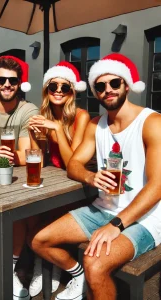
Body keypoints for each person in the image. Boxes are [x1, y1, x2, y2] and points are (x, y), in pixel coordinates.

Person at [29, 53, 161, 300]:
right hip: (103, 208)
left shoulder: (152, 122)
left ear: (127, 84)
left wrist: (117, 225)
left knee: (95, 262)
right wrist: (90, 177)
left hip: (146, 217)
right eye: (100, 86)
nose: (107, 90)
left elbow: (157, 186)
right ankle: (77, 277)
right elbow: (74, 165)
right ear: (94, 91)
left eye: (114, 83)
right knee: (38, 240)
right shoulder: (96, 125)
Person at [28, 61, 90, 297]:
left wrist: (55, 129)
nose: (59, 90)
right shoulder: (42, 115)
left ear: (72, 92)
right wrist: (34, 135)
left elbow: (72, 162)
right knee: (30, 217)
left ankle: (56, 266)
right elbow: (39, 160)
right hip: (54, 182)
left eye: (65, 87)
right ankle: (45, 265)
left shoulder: (81, 116)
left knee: (46, 220)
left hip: (76, 186)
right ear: (46, 89)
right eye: (54, 85)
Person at [0, 56, 38, 300]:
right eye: (2, 79)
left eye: (12, 81)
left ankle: (10, 270)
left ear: (19, 83)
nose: (7, 84)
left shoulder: (27, 109)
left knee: (19, 216)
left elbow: (27, 156)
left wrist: (8, 153)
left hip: (17, 179)